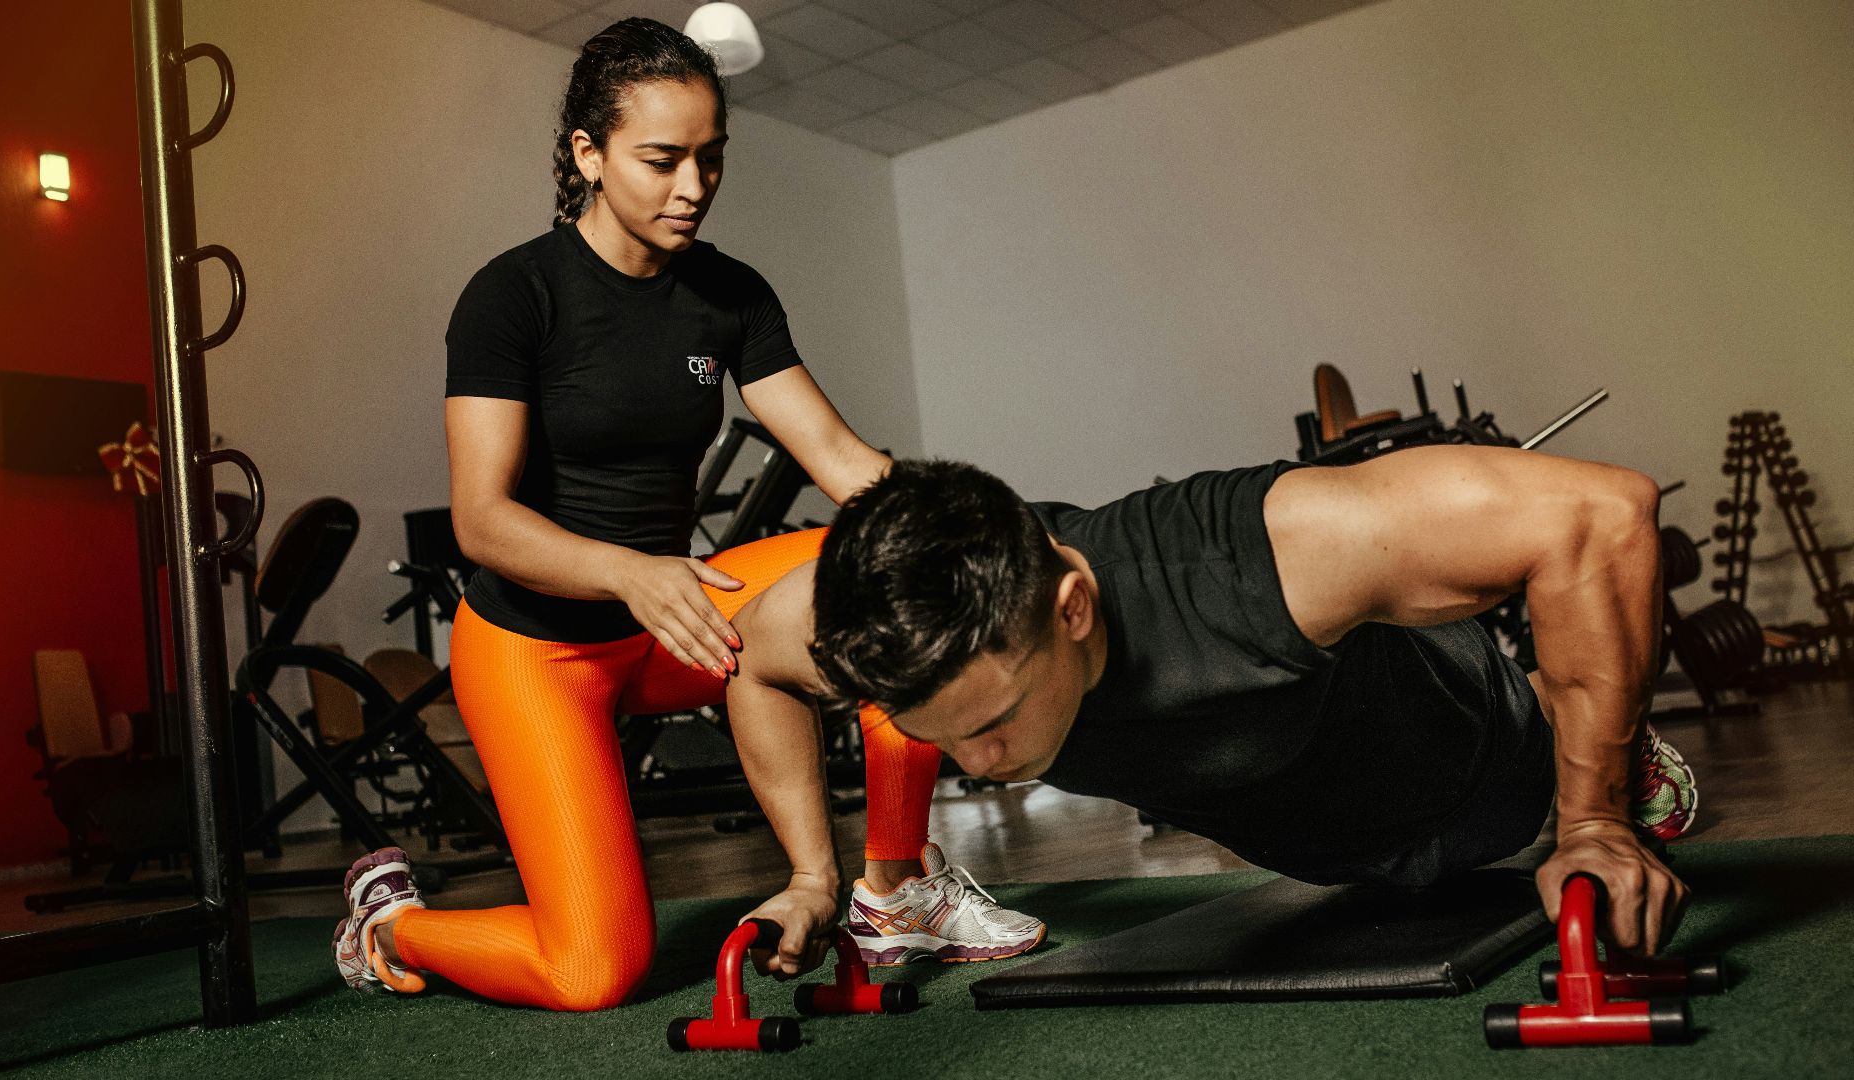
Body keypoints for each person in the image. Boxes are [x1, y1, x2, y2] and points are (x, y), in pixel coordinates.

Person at [330, 19, 1041, 1011]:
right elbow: (481, 523)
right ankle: (389, 923)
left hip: (682, 617)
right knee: (594, 971)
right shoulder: (513, 297)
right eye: (662, 159)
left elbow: (838, 459)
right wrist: (628, 570)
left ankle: (895, 890)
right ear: (588, 153)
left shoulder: (727, 295)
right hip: (541, 648)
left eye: (712, 158)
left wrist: (984, 529)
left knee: (894, 569)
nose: (694, 186)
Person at [726, 446, 1700, 975]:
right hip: (1320, 853)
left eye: (995, 723)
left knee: (1528, 788)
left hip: (1485, 769)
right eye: (939, 737)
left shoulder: (1248, 559)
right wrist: (815, 876)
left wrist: (1596, 824)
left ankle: (1612, 757)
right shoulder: (878, 617)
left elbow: (1600, 515)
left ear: (1072, 608)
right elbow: (750, 665)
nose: (977, 767)